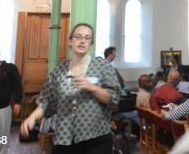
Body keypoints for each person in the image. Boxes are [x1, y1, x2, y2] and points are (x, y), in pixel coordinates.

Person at [20, 23, 122, 154]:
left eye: (87, 38)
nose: (82, 41)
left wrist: (93, 88)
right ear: (70, 41)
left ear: (91, 43)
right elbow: (47, 101)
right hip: (64, 138)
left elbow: (113, 97)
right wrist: (32, 118)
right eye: (78, 37)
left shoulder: (102, 66)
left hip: (96, 139)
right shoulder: (59, 70)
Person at [0, 44, 23, 154]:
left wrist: (17, 102)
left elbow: (18, 85)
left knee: (1, 140)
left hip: (1, 109)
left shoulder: (9, 68)